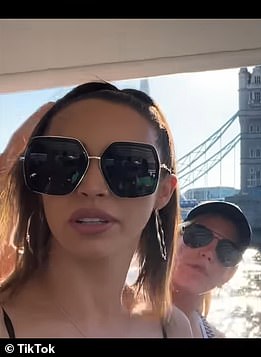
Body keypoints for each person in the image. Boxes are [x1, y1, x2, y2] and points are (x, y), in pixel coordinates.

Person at [0, 82, 192, 338]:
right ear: (35, 182)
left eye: (129, 167)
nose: (92, 187)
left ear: (164, 192)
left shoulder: (174, 328)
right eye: (61, 162)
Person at [171, 201, 252, 338]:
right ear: (173, 239)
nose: (209, 253)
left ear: (229, 275)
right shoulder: (124, 307)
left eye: (227, 252)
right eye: (198, 236)